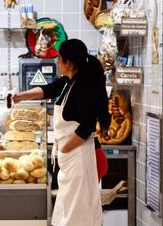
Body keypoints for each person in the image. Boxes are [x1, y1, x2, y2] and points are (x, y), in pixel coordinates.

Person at [13, 39, 110, 226]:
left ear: (69, 63)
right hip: (71, 159)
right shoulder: (69, 81)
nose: (57, 62)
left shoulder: (83, 86)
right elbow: (48, 89)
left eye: (59, 59)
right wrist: (21, 96)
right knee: (69, 210)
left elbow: (87, 125)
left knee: (78, 214)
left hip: (79, 156)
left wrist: (65, 149)